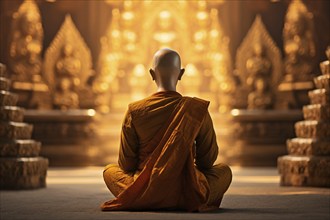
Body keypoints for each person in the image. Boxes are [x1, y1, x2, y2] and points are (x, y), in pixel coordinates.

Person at [102, 48, 232, 212]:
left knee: (109, 171)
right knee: (224, 171)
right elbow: (207, 161)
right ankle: (180, 197)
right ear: (181, 74)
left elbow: (127, 164)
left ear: (151, 74)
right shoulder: (196, 109)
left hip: (145, 190)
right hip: (188, 190)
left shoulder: (135, 110)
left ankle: (145, 198)